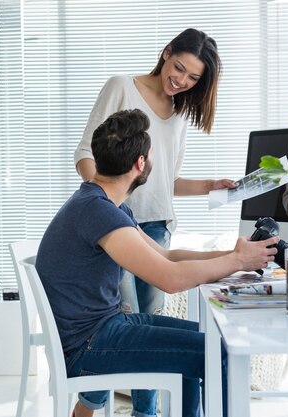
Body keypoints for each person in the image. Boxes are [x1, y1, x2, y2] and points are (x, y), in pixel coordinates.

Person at [38, 109, 279, 417]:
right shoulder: (99, 212)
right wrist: (234, 261)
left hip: (105, 328)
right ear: (140, 164)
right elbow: (170, 279)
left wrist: (234, 257)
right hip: (91, 345)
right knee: (221, 353)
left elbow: (167, 256)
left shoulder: (106, 204)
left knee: (209, 342)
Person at [74, 28, 236, 315]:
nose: (182, 80)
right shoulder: (122, 87)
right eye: (179, 68)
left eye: (193, 78)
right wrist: (109, 205)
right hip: (116, 223)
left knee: (151, 319)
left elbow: (167, 182)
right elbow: (85, 155)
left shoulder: (180, 113)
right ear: (167, 53)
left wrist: (210, 185)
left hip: (157, 225)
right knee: (124, 316)